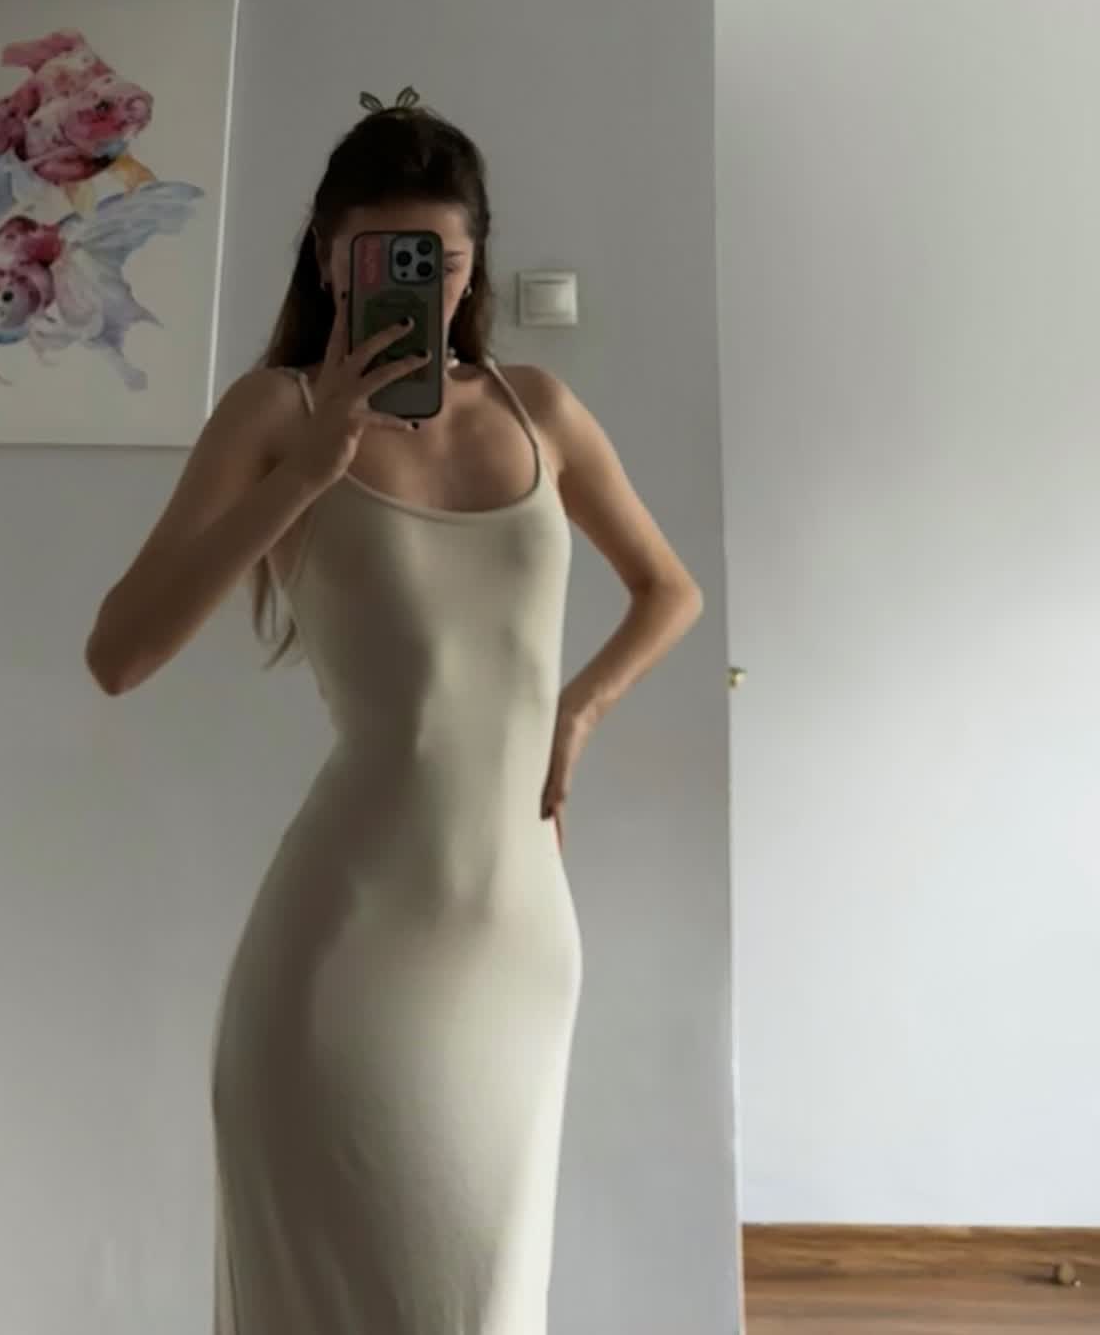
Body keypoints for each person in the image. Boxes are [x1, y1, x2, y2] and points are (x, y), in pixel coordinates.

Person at [83, 92, 704, 1335]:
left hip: (520, 937)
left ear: (473, 265)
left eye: (442, 258)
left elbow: (667, 590)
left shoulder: (539, 409)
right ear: (330, 258)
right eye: (379, 256)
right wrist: (309, 470)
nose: (417, 283)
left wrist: (578, 710)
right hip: (342, 951)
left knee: (485, 1304)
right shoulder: (272, 415)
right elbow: (119, 651)